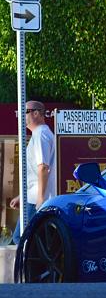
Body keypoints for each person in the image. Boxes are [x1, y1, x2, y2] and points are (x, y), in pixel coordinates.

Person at [10, 100, 56, 244]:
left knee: (23, 238)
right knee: (34, 239)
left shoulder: (41, 134)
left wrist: (40, 199)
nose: (21, 116)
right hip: (32, 196)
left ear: (36, 113)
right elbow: (35, 174)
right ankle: (41, 266)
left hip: (36, 199)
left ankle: (35, 267)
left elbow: (43, 167)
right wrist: (22, 196)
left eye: (25, 112)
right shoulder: (40, 134)